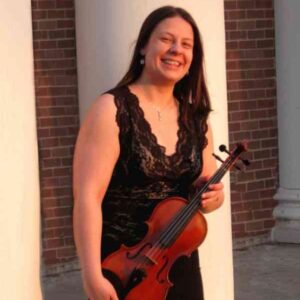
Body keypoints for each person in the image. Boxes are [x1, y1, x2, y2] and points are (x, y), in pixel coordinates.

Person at [73, 5, 224, 300]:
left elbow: (207, 196)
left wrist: (215, 198)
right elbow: (88, 197)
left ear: (193, 58)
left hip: (178, 266)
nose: (176, 50)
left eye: (186, 44)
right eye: (166, 39)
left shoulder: (196, 119)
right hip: (123, 268)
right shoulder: (112, 109)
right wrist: (91, 275)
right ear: (144, 45)